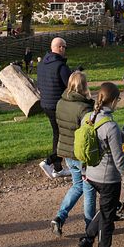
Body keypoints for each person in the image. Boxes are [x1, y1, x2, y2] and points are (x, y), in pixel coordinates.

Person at [77, 82, 124, 247]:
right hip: (108, 179)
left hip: (90, 174)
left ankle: (87, 240)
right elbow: (119, 161)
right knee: (108, 218)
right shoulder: (111, 126)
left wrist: (83, 171)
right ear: (113, 101)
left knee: (105, 210)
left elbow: (84, 147)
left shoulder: (88, 117)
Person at [51, 71, 97, 237]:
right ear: (85, 86)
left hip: (66, 152)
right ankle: (90, 227)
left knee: (77, 186)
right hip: (80, 155)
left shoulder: (60, 102)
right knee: (89, 190)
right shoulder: (84, 108)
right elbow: (88, 134)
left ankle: (59, 217)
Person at [37, 37, 73, 178]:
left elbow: (41, 83)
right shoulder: (60, 66)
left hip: (46, 104)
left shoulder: (42, 64)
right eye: (64, 47)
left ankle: (58, 168)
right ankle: (49, 161)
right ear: (60, 48)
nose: (65, 50)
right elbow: (70, 86)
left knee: (57, 134)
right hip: (58, 105)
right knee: (64, 135)